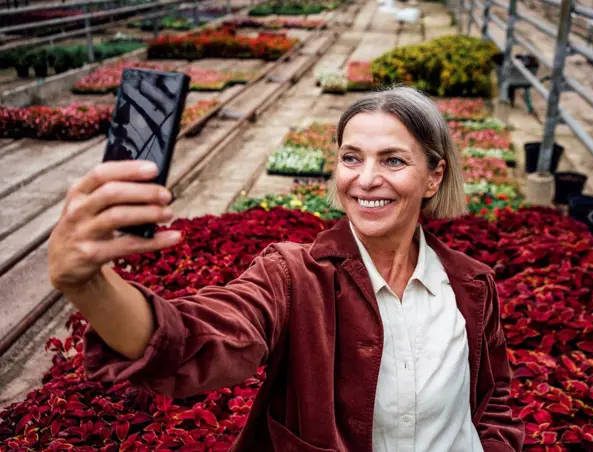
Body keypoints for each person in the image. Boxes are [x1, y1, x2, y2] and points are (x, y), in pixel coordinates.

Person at [48, 86, 525, 452]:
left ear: (434, 177)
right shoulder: (294, 276)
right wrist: (89, 285)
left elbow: (492, 400)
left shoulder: (470, 285)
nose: (366, 179)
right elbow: (197, 338)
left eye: (394, 160)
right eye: (351, 157)